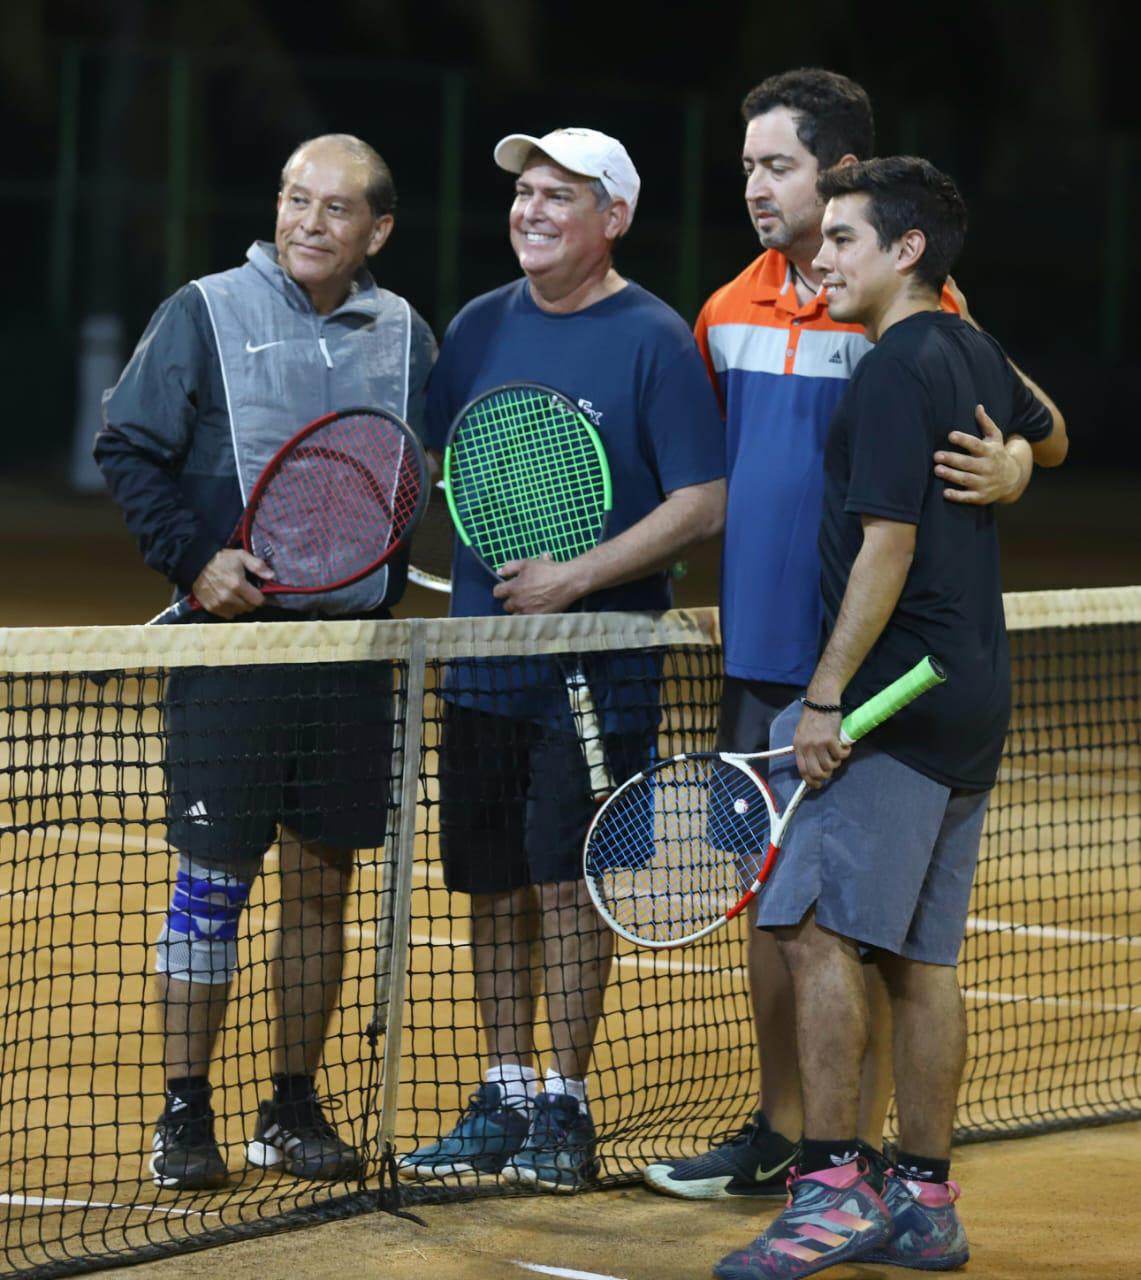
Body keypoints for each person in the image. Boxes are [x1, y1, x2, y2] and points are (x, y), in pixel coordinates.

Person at [644, 68, 1066, 1203]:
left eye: (776, 166)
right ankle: (782, 1129)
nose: (753, 186)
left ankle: (854, 1156)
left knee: (855, 927)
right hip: (761, 655)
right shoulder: (723, 311)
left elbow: (1034, 428)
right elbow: (703, 474)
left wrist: (1014, 466)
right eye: (745, 165)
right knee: (775, 912)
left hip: (861, 666)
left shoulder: (911, 308)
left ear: (838, 175)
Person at [95, 134, 436, 1191]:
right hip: (234, 652)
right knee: (210, 888)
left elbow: (408, 475)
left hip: (349, 658)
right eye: (295, 199)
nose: (307, 222)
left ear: (377, 229)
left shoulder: (407, 335)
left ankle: (290, 1107)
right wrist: (194, 559)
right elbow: (127, 446)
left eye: (335, 208)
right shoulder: (204, 310)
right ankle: (184, 1111)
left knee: (322, 891)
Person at [396, 127, 726, 1192]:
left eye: (559, 196)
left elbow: (702, 501)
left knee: (566, 883)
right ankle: (503, 1092)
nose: (529, 210)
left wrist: (575, 576)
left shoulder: (653, 337)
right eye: (524, 192)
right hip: (487, 660)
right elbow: (448, 461)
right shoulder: (479, 325)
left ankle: (565, 1104)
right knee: (494, 881)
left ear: (612, 218)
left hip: (602, 667)